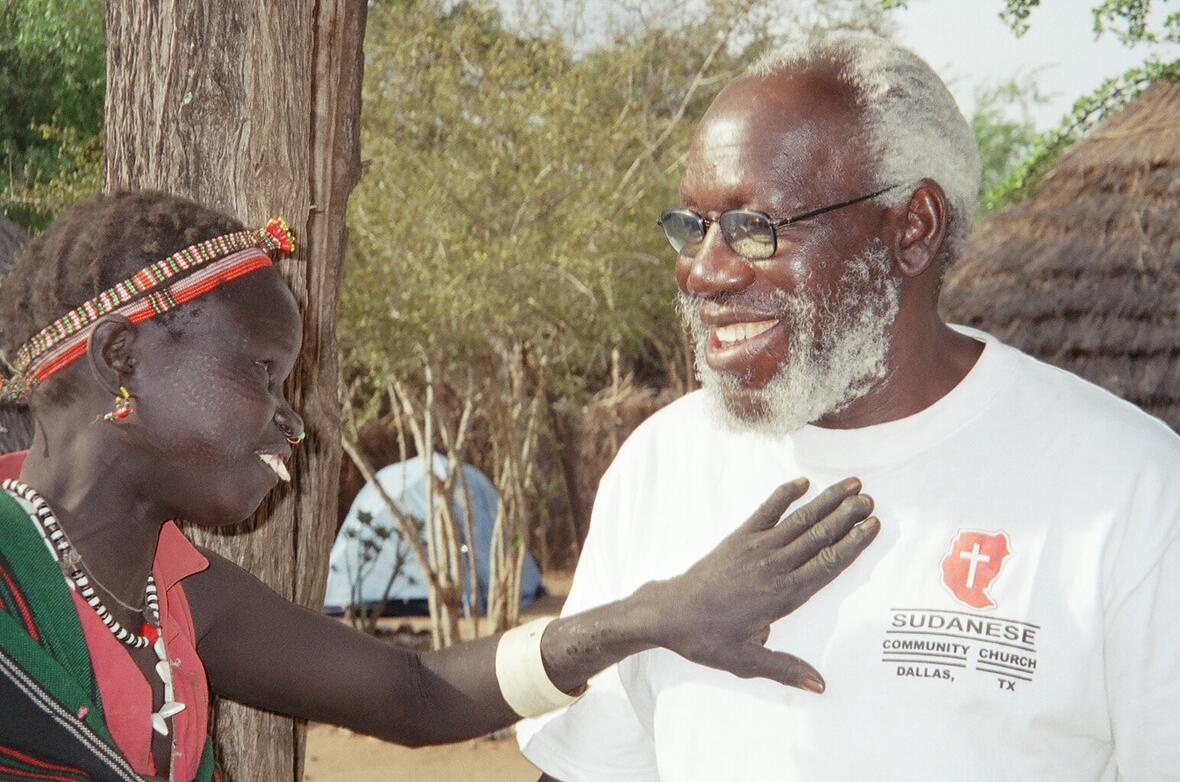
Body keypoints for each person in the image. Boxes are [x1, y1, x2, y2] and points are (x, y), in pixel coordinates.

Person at [0, 191, 879, 780]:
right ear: (123, 356)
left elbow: (413, 695)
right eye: (264, 372)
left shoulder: (176, 592)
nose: (290, 420)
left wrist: (657, 615)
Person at [517, 33, 1180, 782]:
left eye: (752, 228)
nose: (701, 272)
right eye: (692, 225)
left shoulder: (1127, 488)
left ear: (912, 228)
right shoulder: (661, 463)